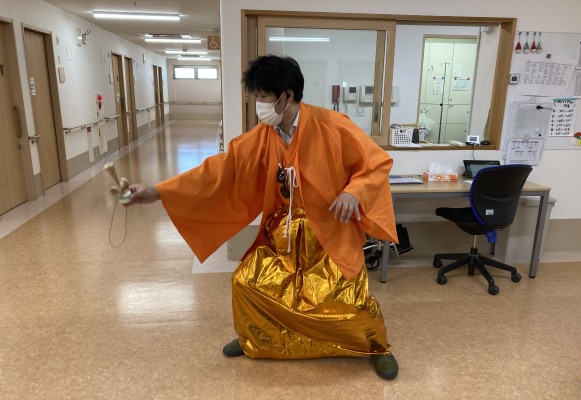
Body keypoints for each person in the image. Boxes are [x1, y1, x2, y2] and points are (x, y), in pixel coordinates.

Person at [127, 55, 400, 380]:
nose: (259, 105)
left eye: (263, 97)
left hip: (329, 229)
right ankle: (253, 337)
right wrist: (159, 191)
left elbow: (376, 163)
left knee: (346, 296)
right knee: (247, 281)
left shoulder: (333, 125)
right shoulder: (263, 135)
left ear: (287, 95)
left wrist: (354, 191)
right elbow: (219, 170)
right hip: (282, 231)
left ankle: (375, 345)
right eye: (255, 96)